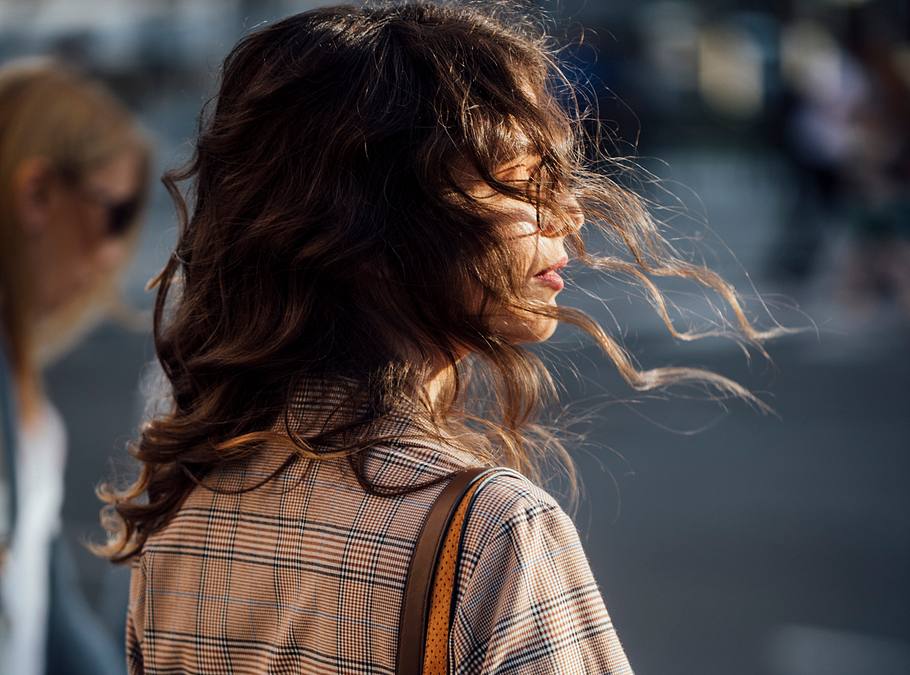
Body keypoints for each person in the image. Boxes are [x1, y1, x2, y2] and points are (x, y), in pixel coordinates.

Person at [93, 3, 783, 673]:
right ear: (366, 233)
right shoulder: (492, 530)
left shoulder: (185, 502)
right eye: (520, 182)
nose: (569, 212)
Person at [0, 57, 150, 674]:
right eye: (113, 213)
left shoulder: (18, 373)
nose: (113, 254)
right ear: (37, 193)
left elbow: (47, 608)